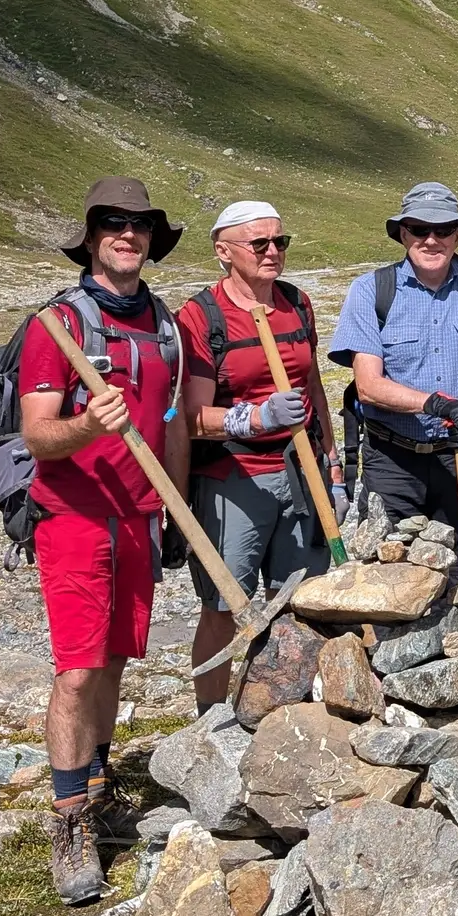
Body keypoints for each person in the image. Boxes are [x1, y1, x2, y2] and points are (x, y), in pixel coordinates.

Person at [18, 176, 188, 906]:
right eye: (113, 223)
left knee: (117, 659)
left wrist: (175, 511)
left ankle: (98, 778)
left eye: (140, 224)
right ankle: (69, 821)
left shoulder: (165, 325)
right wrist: (88, 425)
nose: (128, 234)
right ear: (90, 237)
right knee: (79, 670)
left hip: (138, 517)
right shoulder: (57, 325)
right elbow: (37, 432)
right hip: (76, 517)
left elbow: (173, 422)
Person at [178, 200, 343, 712]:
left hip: (302, 472)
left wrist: (333, 463)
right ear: (224, 252)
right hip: (234, 477)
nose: (274, 252)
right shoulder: (200, 317)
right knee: (225, 604)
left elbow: (312, 385)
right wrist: (251, 418)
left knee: (300, 599)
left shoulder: (298, 303)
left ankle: (289, 711)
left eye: (281, 242)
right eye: (260, 244)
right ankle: (210, 719)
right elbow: (190, 417)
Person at [328, 181, 458, 531]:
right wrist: (438, 405)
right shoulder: (371, 290)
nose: (431, 240)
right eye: (419, 229)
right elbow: (368, 385)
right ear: (403, 235)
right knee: (389, 571)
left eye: (444, 229)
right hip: (391, 461)